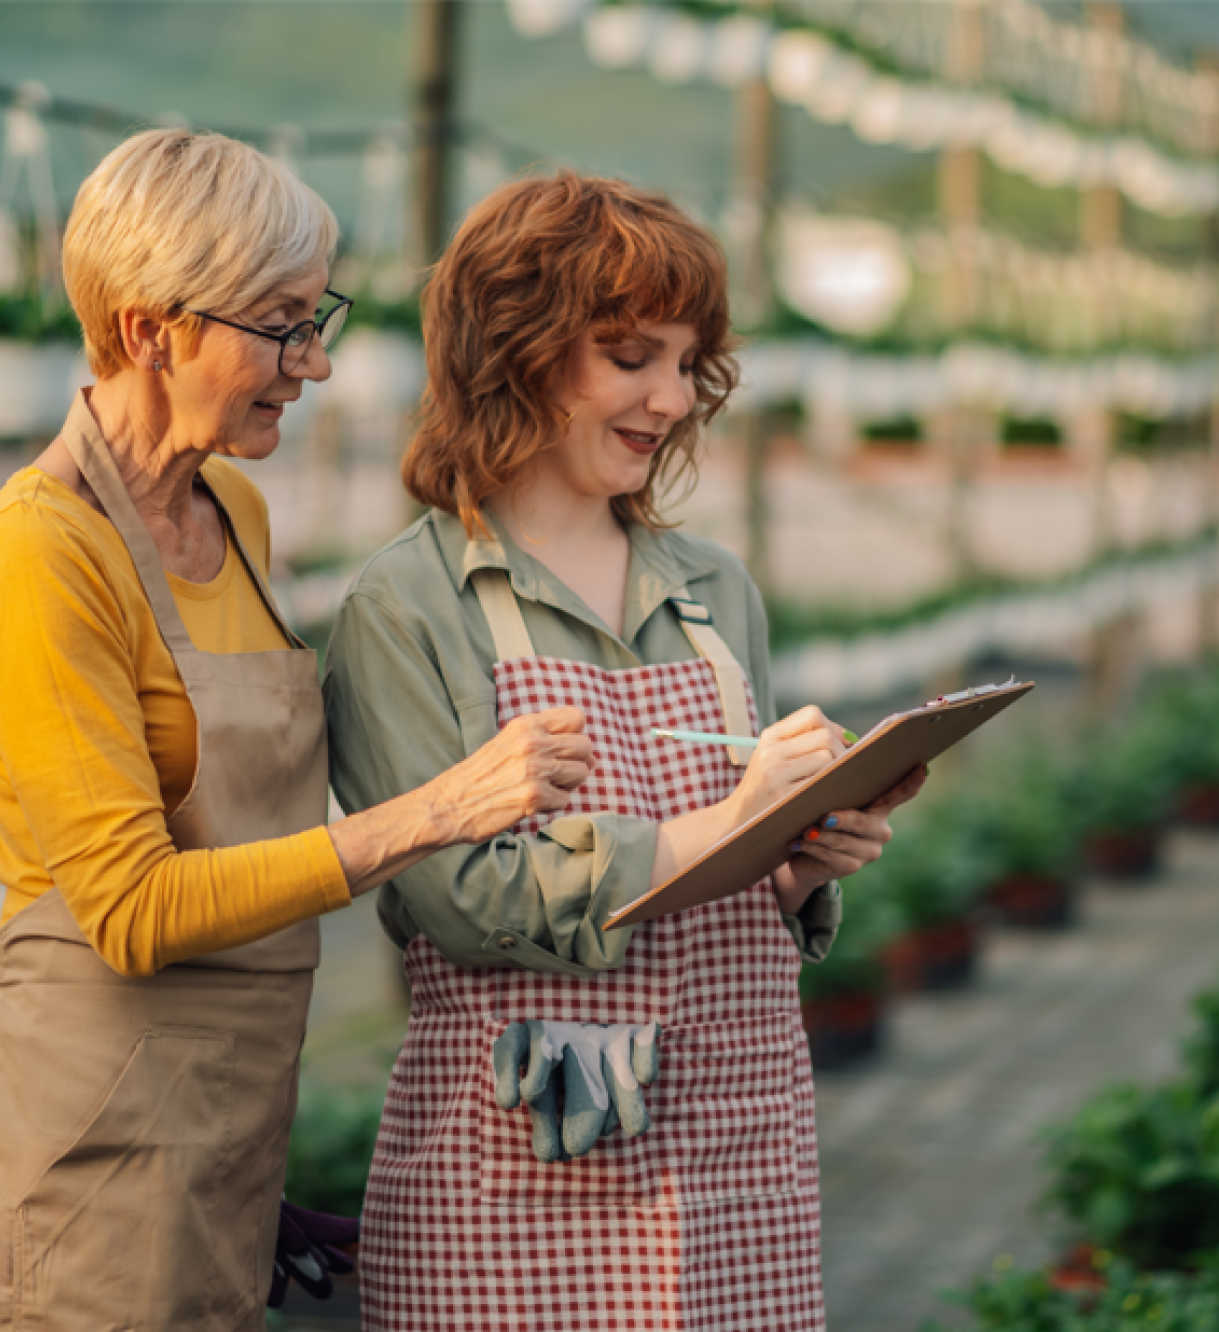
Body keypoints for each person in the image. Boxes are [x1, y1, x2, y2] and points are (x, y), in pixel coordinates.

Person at [0, 130, 594, 1332]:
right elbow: (130, 911)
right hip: (83, 1153)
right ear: (149, 330)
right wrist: (440, 810)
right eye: (282, 325)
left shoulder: (228, 504)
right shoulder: (40, 554)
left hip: (216, 1131)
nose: (316, 362)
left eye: (314, 317)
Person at [323, 170, 928, 1330]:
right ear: (519, 349)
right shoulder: (408, 606)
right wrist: (735, 822)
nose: (672, 397)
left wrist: (802, 852)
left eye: (689, 362)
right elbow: (457, 898)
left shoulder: (712, 591)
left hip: (726, 1161)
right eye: (631, 355)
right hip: (517, 1172)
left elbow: (742, 857)